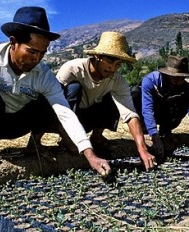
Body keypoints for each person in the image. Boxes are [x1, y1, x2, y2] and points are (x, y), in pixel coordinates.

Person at [0, 6, 110, 177]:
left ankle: (35, 144)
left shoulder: (42, 74)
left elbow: (65, 113)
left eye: (42, 53)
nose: (37, 59)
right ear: (13, 43)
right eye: (32, 51)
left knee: (55, 94)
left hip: (19, 125)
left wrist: (90, 154)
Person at [55, 31, 157, 172]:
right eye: (109, 62)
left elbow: (130, 114)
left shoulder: (117, 80)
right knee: (74, 88)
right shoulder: (72, 69)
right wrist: (68, 138)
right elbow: (54, 103)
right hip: (70, 118)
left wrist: (142, 149)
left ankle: (96, 137)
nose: (113, 69)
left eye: (117, 64)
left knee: (114, 98)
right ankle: (66, 138)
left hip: (91, 118)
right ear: (97, 56)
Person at [139, 55, 189, 159]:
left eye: (182, 78)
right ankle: (143, 128)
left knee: (182, 101)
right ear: (166, 74)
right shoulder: (150, 81)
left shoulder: (185, 88)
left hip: (168, 114)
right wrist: (155, 137)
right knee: (135, 93)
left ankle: (166, 130)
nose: (178, 81)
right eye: (175, 77)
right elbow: (147, 109)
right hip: (148, 113)